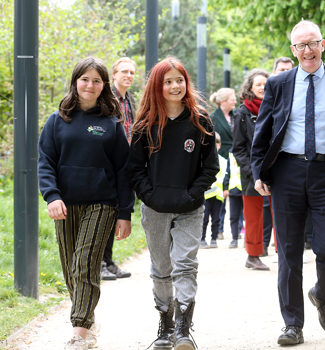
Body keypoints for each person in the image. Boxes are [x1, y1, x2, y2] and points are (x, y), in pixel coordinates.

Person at [251, 20, 325, 345]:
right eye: (300, 45)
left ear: (322, 44)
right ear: (293, 50)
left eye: (312, 43)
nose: (307, 50)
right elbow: (264, 128)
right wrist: (259, 170)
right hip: (287, 172)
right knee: (288, 252)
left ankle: (323, 294)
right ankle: (293, 324)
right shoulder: (279, 83)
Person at [38, 56, 135, 349]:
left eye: (96, 80)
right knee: (71, 269)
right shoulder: (57, 120)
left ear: (104, 85)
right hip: (65, 205)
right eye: (85, 79)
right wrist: (52, 196)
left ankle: (78, 334)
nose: (90, 85)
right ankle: (89, 320)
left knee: (85, 265)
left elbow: (123, 170)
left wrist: (125, 212)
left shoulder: (111, 123)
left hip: (102, 204)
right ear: (75, 81)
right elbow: (46, 163)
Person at [128, 56, 219, 350]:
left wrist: (193, 195)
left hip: (190, 208)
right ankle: (165, 325)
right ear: (158, 86)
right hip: (155, 209)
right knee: (161, 268)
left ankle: (183, 327)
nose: (175, 86)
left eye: (179, 80)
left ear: (186, 83)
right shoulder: (145, 124)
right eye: (168, 81)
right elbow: (135, 168)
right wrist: (149, 196)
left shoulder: (200, 120)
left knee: (185, 265)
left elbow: (210, 167)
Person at [100, 57, 138, 281]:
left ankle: (109, 261)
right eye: (124, 71)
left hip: (125, 160)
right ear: (113, 75)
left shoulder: (129, 98)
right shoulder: (106, 97)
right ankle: (100, 263)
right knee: (106, 212)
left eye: (132, 72)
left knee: (115, 211)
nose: (129, 76)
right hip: (109, 161)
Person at [232, 68, 272, 271]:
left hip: (276, 171)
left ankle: (285, 252)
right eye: (258, 84)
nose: (262, 88)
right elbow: (238, 148)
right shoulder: (242, 113)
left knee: (282, 214)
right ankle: (253, 256)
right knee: (254, 218)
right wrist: (253, 172)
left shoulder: (276, 107)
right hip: (251, 174)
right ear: (250, 87)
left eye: (265, 84)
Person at [264, 57, 295, 259]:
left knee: (294, 211)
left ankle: (288, 247)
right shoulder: (272, 91)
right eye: (281, 69)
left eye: (288, 70)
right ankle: (275, 246)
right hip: (272, 164)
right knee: (271, 211)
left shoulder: (298, 91)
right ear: (274, 72)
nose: (285, 73)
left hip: (293, 163)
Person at [209, 88, 237, 240]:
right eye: (232, 99)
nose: (235, 101)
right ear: (223, 101)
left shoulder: (237, 116)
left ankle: (237, 228)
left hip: (236, 159)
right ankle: (218, 229)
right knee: (220, 194)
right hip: (220, 157)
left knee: (235, 191)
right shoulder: (213, 118)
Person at [200, 132, 229, 249]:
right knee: (204, 218)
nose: (215, 147)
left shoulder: (223, 161)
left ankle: (214, 239)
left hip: (218, 195)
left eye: (216, 144)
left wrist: (226, 189)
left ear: (220, 145)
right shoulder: (203, 159)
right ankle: (202, 239)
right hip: (205, 195)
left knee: (216, 218)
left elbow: (226, 176)